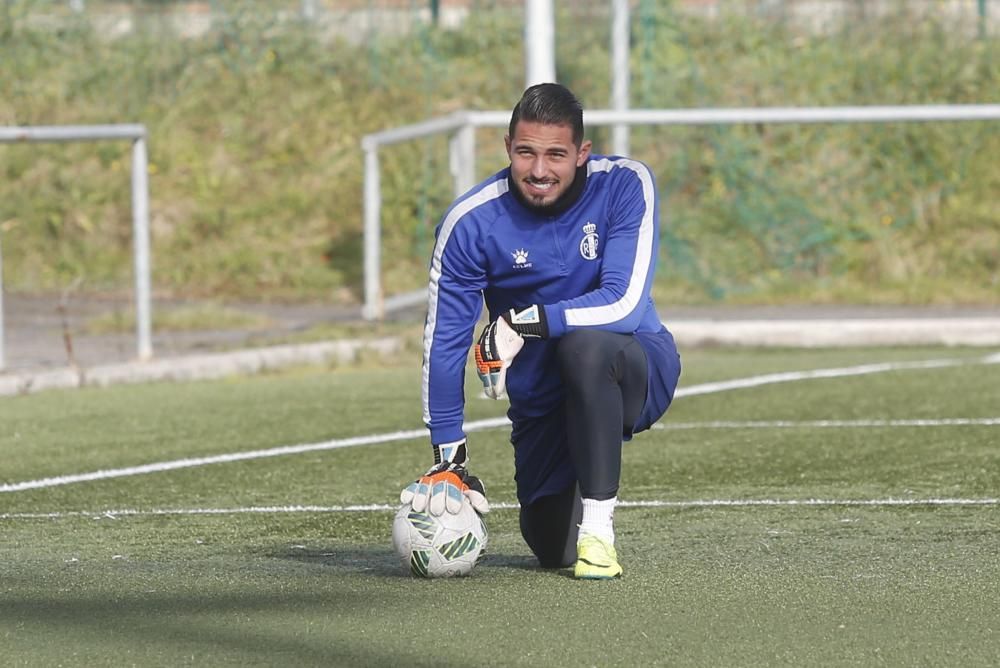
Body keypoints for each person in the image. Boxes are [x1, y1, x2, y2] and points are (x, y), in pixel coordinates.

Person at [400, 82, 681, 579]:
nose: (539, 170)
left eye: (556, 154)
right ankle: (573, 532)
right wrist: (449, 457)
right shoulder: (470, 223)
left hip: (633, 365)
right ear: (508, 148)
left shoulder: (625, 184)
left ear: (581, 153)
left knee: (586, 348)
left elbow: (624, 304)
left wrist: (520, 322)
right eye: (526, 152)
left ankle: (599, 533)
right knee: (552, 548)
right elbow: (443, 341)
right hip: (541, 399)